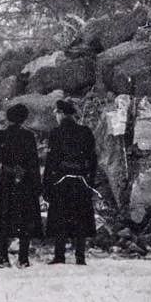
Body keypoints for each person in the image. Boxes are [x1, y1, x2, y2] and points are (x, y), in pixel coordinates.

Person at [0, 103, 43, 268]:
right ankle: (23, 258)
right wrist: (36, 186)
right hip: (25, 183)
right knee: (25, 219)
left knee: (4, 219)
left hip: (6, 182)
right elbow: (34, 164)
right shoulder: (29, 136)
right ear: (24, 119)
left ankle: (3, 257)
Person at [42, 98, 98, 265]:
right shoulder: (85, 132)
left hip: (61, 181)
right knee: (81, 218)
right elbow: (93, 159)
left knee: (60, 218)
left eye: (56, 113)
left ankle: (60, 256)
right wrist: (90, 181)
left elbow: (51, 161)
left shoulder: (56, 133)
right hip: (81, 180)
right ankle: (80, 256)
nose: (56, 117)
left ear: (61, 114)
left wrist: (47, 184)